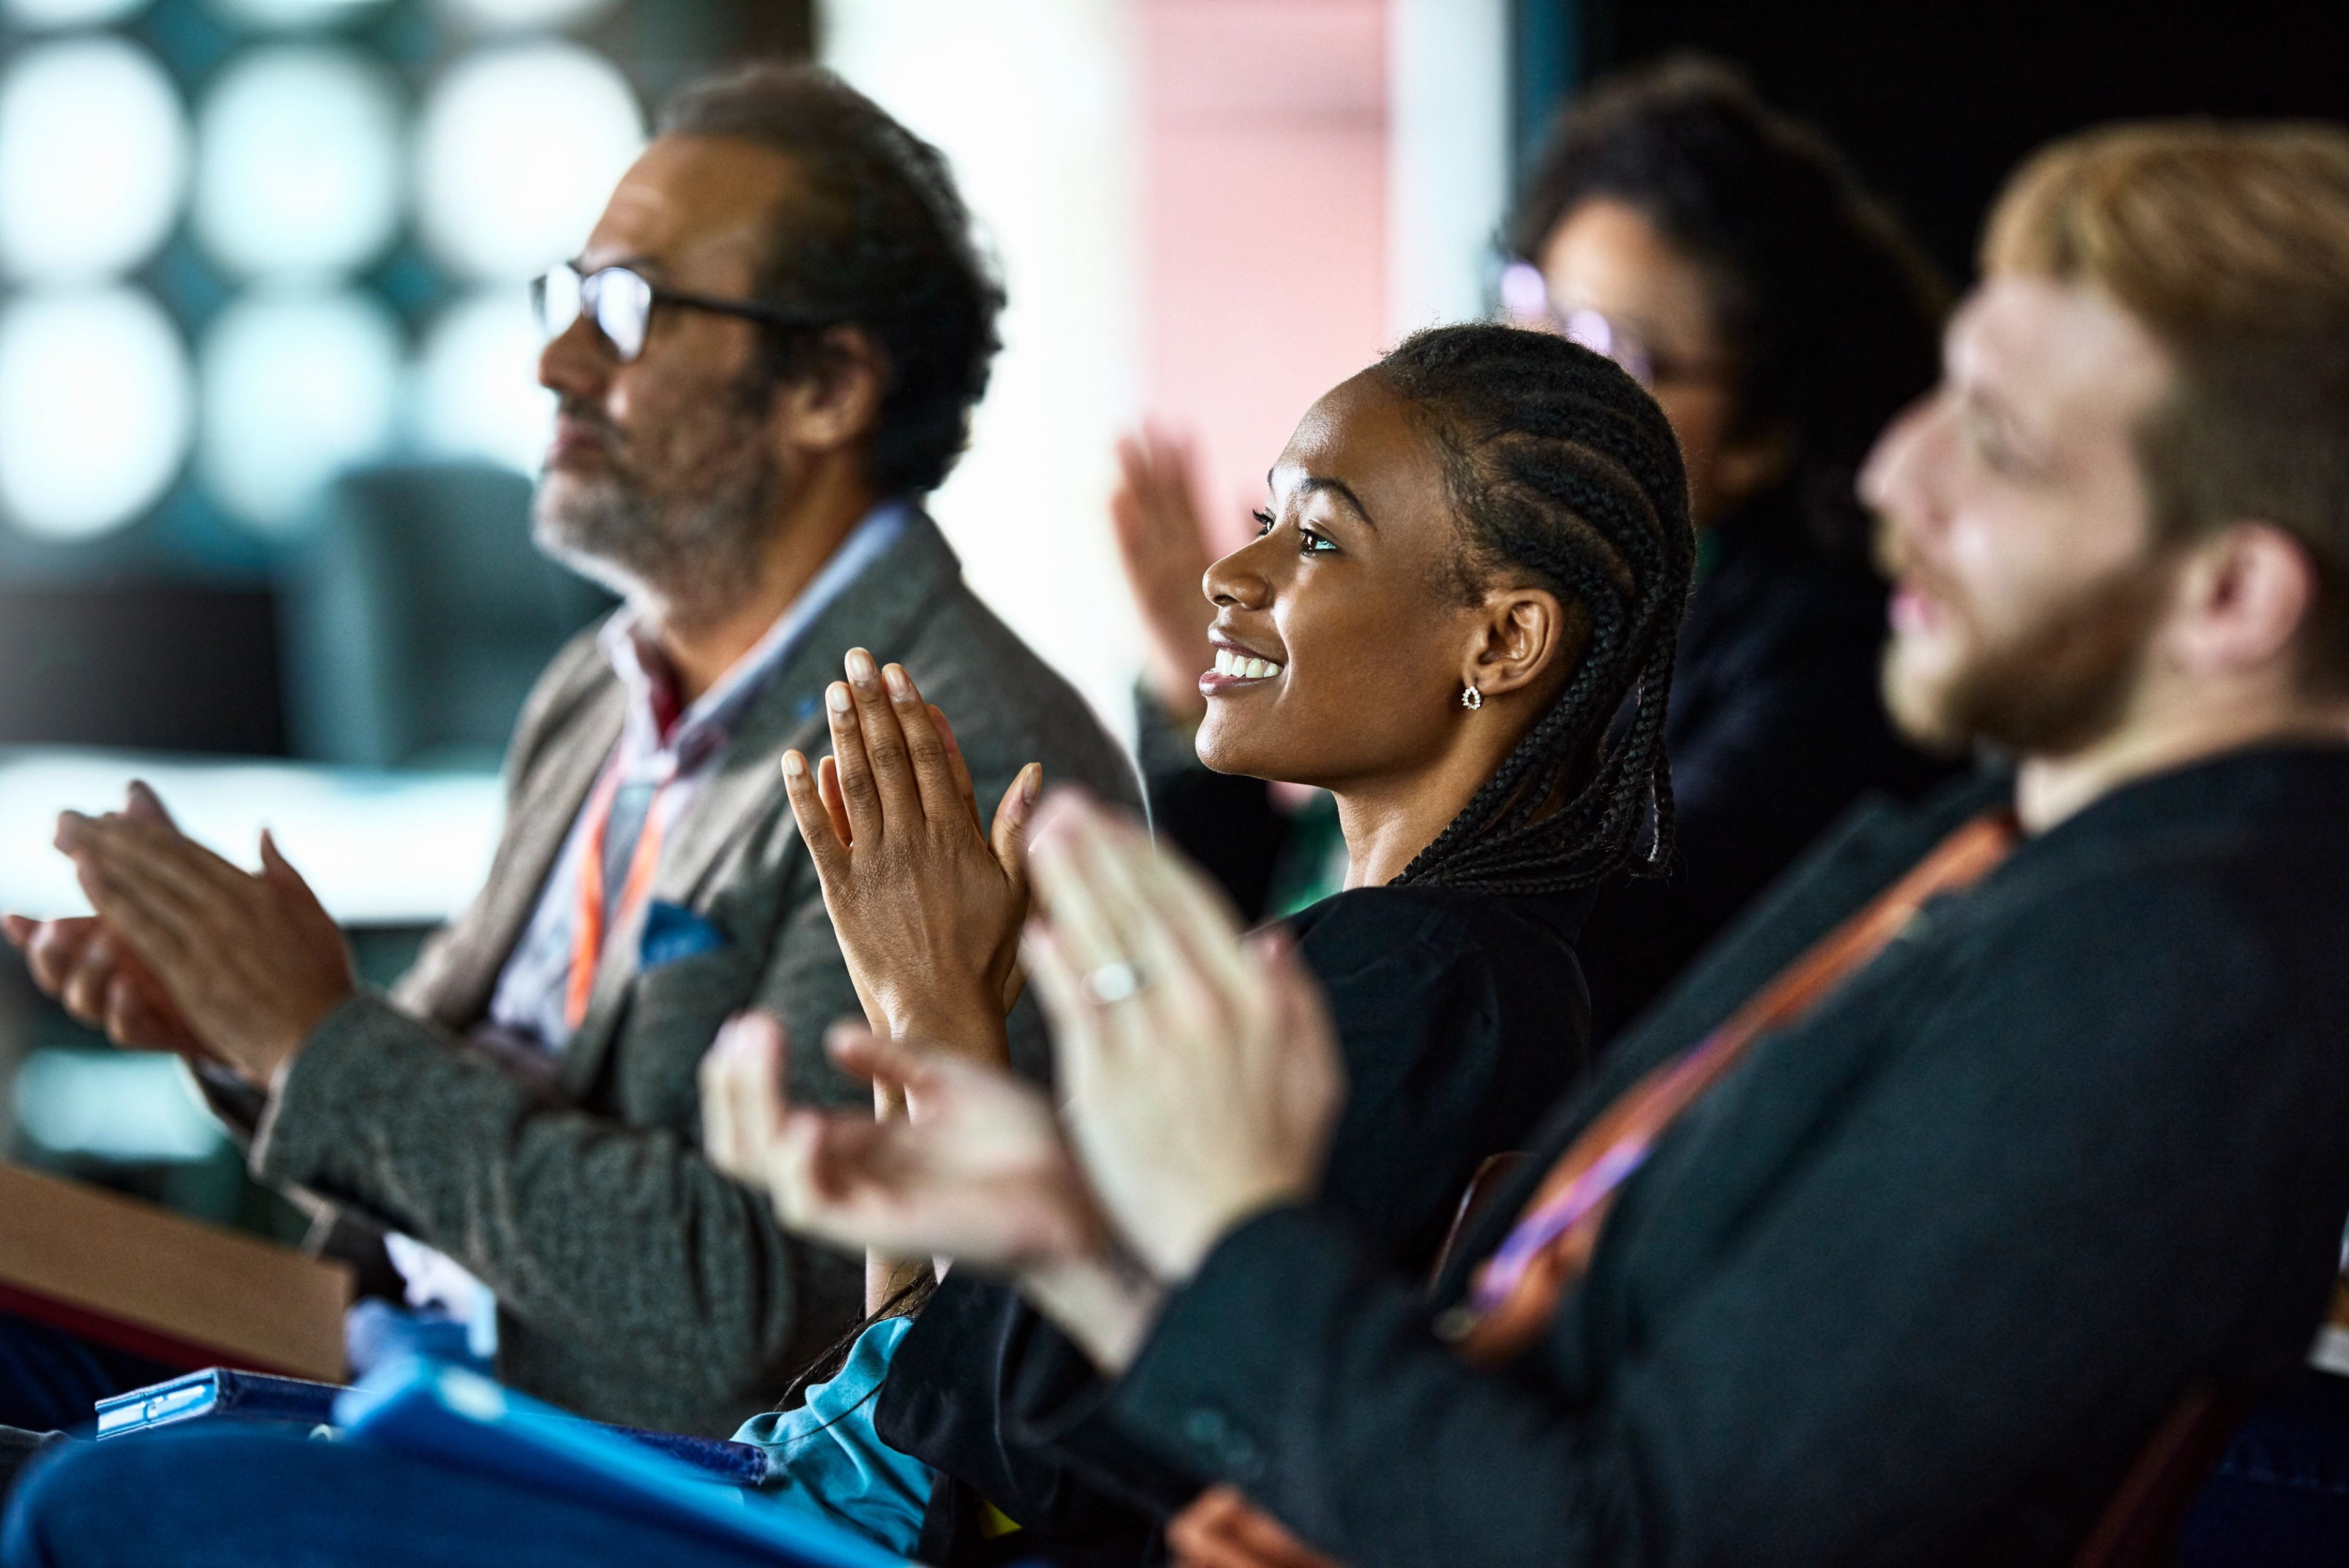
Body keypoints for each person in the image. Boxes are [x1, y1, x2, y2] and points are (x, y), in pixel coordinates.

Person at [691, 118, 2349, 1567]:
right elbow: (1505, 1407)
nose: (1897, 474)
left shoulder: (2161, 984)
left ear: (2234, 596)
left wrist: (1214, 1229)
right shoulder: (2012, 872)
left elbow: (1611, 1534)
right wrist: (1072, 1228)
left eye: (1997, 438)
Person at [0, 320, 1698, 1567]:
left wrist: (948, 1039)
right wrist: (926, 1014)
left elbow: (1028, 1441)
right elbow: (936, 1368)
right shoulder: (1374, 950)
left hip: (808, 1530)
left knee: (91, 1496)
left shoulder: (1432, 983)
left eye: (1317, 536)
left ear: (1504, 639)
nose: (1235, 574)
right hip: (789, 1488)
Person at [0, 61, 1138, 1439]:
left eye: (634, 310)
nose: (558, 360)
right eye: (572, 294)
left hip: (604, 1463)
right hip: (394, 1364)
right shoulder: (595, 695)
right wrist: (250, 1036)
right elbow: (435, 1116)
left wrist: (324, 1040)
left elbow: (765, 1325)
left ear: (830, 386)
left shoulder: (951, 749)